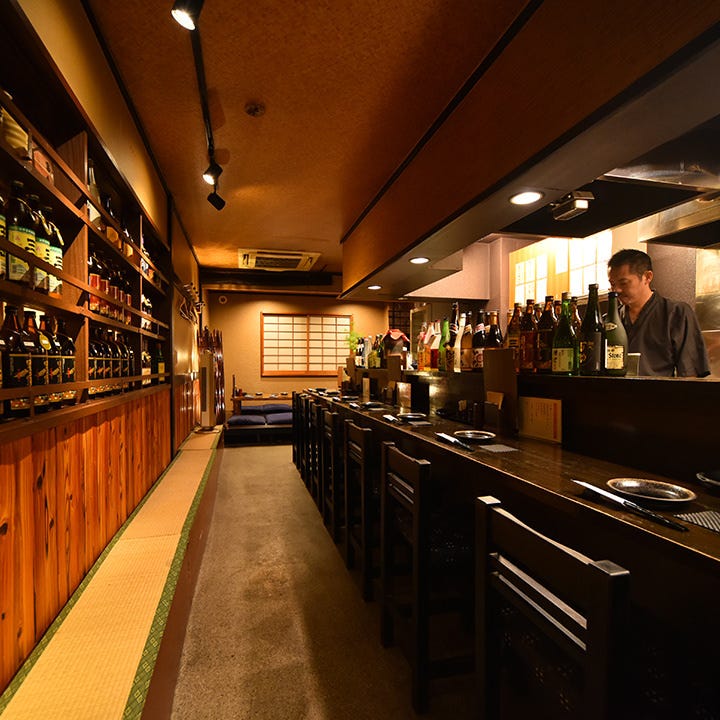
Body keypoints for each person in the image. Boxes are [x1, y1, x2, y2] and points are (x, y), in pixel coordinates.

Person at [606, 249, 710, 377]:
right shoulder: (609, 321)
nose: (616, 290)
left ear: (647, 277)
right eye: (612, 284)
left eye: (624, 283)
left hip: (659, 389)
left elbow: (691, 373)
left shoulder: (676, 313)